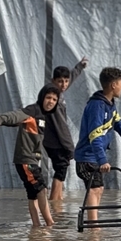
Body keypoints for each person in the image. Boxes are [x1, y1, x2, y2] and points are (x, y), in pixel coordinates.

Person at [73, 67, 121, 221]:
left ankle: (93, 225)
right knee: (95, 189)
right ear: (113, 85)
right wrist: (103, 160)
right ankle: (93, 228)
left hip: (94, 158)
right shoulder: (97, 106)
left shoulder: (110, 105)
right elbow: (95, 136)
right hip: (86, 158)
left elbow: (118, 124)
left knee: (98, 189)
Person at [0, 85, 60, 227]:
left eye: (54, 99)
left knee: (33, 194)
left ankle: (36, 227)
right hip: (26, 160)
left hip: (31, 160)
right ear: (42, 98)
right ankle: (50, 224)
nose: (51, 101)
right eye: (48, 98)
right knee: (41, 189)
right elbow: (16, 116)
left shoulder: (45, 116)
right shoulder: (33, 111)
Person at [44, 59, 88, 201]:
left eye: (66, 81)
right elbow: (61, 126)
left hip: (52, 140)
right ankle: (55, 202)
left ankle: (57, 199)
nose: (64, 85)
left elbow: (71, 77)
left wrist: (79, 67)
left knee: (60, 169)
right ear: (53, 81)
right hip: (55, 140)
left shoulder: (55, 91)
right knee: (61, 169)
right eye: (60, 81)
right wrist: (70, 148)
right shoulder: (53, 99)